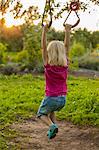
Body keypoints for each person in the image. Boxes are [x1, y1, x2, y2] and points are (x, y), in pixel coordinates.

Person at [37, 24, 72, 139]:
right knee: (52, 111)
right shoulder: (65, 64)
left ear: (49, 52)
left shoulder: (48, 64)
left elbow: (43, 47)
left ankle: (51, 126)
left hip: (51, 97)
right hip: (63, 99)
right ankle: (54, 128)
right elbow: (66, 47)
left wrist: (44, 31)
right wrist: (67, 31)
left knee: (41, 114)